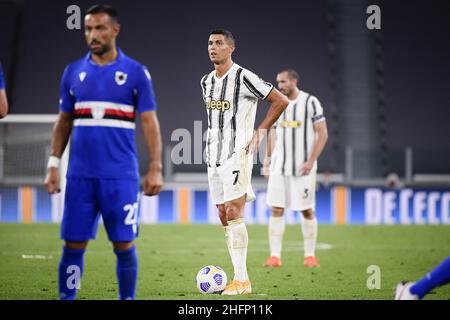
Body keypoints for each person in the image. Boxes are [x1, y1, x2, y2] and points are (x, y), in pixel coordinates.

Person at [44, 4, 163, 300]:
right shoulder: (72, 72)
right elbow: (63, 122)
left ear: (115, 30)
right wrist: (53, 163)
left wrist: (156, 167)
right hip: (80, 177)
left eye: (99, 28)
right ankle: (67, 298)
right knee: (72, 245)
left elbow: (150, 123)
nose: (92, 35)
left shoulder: (136, 73)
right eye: (88, 29)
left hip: (120, 177)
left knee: (124, 246)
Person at [201, 29, 289, 295]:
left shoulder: (243, 76)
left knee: (233, 212)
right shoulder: (205, 81)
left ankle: (242, 280)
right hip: (212, 157)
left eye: (218, 43)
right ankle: (238, 277)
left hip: (237, 154)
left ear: (231, 48)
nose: (212, 47)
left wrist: (260, 131)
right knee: (222, 214)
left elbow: (280, 100)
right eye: (209, 43)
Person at [262, 69, 328, 268]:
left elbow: (322, 134)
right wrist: (267, 160)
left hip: (303, 170)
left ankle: (310, 256)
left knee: (307, 210)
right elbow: (273, 134)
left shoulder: (310, 102)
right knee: (276, 209)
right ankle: (275, 256)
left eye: (283, 82)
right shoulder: (278, 103)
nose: (279, 86)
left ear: (294, 81)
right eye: (278, 82)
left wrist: (311, 161)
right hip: (279, 168)